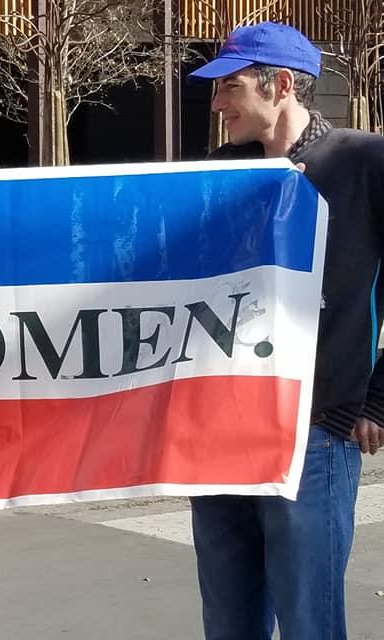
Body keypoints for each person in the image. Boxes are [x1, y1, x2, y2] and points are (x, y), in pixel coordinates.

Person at [186, 21, 384, 640]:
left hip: (316, 431)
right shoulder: (218, 171)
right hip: (218, 431)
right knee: (229, 621)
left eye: (230, 87)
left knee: (310, 621)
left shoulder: (363, 162)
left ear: (280, 85)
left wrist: (378, 397)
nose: (216, 103)